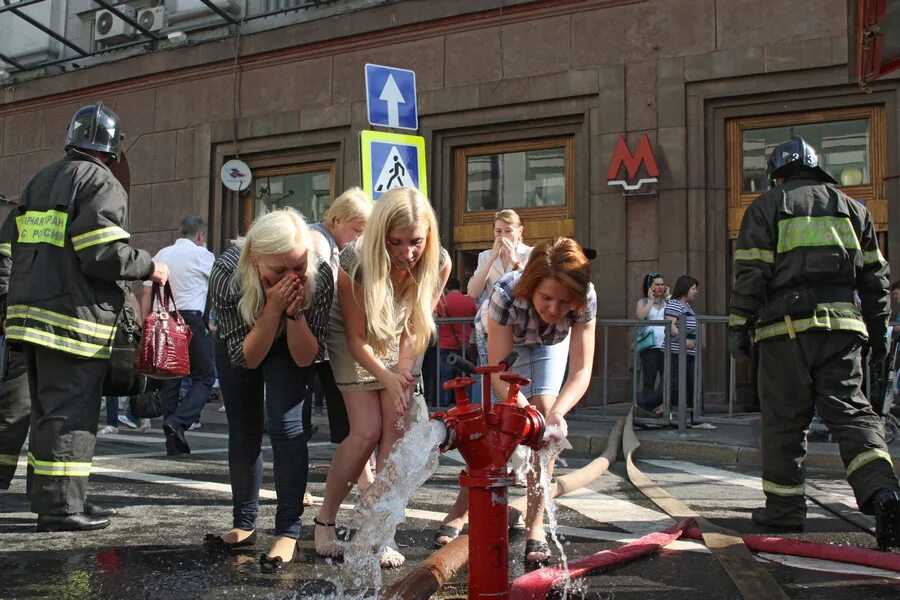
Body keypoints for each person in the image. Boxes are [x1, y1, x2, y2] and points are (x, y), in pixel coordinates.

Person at [0, 101, 169, 532]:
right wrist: (149, 265)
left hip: (30, 319)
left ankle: (57, 499)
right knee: (71, 415)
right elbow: (101, 253)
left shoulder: (41, 181)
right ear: (112, 150)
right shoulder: (100, 181)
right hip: (73, 321)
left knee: (45, 413)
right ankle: (60, 510)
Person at [728, 136, 900, 550]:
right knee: (854, 416)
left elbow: (751, 275)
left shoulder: (767, 206)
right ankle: (884, 496)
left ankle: (785, 512)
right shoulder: (854, 209)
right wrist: (878, 339)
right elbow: (876, 282)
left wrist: (739, 329)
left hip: (784, 334)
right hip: (842, 331)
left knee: (786, 422)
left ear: (776, 174)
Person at [436, 238, 597, 565]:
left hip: (549, 345)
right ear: (531, 286)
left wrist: (553, 416)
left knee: (546, 429)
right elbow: (499, 374)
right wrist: (526, 414)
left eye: (564, 302)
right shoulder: (506, 295)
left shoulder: (586, 298)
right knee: (492, 428)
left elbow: (581, 371)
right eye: (546, 298)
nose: (553, 309)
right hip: (502, 344)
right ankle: (459, 510)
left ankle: (534, 527)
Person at [313, 187, 450, 568]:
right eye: (396, 243)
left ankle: (381, 532)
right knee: (366, 432)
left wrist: (403, 376)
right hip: (355, 339)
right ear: (380, 237)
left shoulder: (438, 261)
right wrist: (385, 377)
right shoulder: (356, 260)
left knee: (396, 430)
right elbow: (357, 340)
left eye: (415, 242)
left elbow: (413, 325)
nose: (407, 253)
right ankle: (324, 521)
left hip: (399, 338)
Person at [206, 208, 327, 572]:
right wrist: (273, 307)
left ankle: (288, 530)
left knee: (287, 426)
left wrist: (292, 312)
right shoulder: (228, 272)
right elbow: (247, 359)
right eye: (278, 271)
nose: (291, 278)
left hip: (293, 335)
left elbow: (306, 359)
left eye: (298, 268)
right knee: (244, 428)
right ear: (255, 260)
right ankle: (244, 522)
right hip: (244, 342)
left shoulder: (319, 275)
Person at [304, 187, 372, 448]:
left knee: (344, 417)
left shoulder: (340, 244)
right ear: (336, 220)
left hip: (327, 341)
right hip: (315, 337)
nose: (360, 237)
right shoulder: (317, 238)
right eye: (357, 230)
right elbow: (321, 283)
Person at [141, 216, 215, 456]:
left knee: (169, 378)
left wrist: (145, 326)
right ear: (200, 235)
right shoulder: (202, 255)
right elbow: (215, 285)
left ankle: (171, 440)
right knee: (204, 377)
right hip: (191, 318)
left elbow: (145, 291)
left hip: (163, 318)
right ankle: (179, 422)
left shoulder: (161, 254)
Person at [636, 275, 714, 429]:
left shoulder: (688, 306)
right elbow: (671, 325)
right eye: (693, 288)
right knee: (673, 386)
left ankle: (697, 418)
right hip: (676, 352)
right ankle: (642, 407)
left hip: (688, 353)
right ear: (685, 289)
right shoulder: (675, 304)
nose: (696, 292)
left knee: (693, 384)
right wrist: (683, 339)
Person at [467, 209, 532, 368]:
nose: (503, 236)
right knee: (493, 374)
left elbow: (529, 286)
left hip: (521, 327)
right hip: (494, 326)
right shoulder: (485, 256)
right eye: (498, 231)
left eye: (508, 230)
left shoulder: (531, 253)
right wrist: (491, 260)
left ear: (520, 231)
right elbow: (473, 292)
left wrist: (513, 259)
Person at [435, 277, 477, 407]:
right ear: (460, 288)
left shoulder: (442, 302)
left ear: (446, 289)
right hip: (463, 345)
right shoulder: (469, 301)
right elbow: (475, 321)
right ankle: (467, 404)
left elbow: (435, 319)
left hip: (445, 345)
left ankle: (443, 406)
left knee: (446, 378)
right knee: (465, 377)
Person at [634, 272, 669, 412]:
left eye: (662, 284)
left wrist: (669, 297)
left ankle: (662, 408)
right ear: (650, 287)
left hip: (665, 346)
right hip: (650, 346)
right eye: (657, 285)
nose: (660, 287)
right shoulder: (643, 302)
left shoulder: (668, 302)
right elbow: (640, 316)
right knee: (649, 380)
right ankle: (646, 410)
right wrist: (650, 301)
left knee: (666, 379)